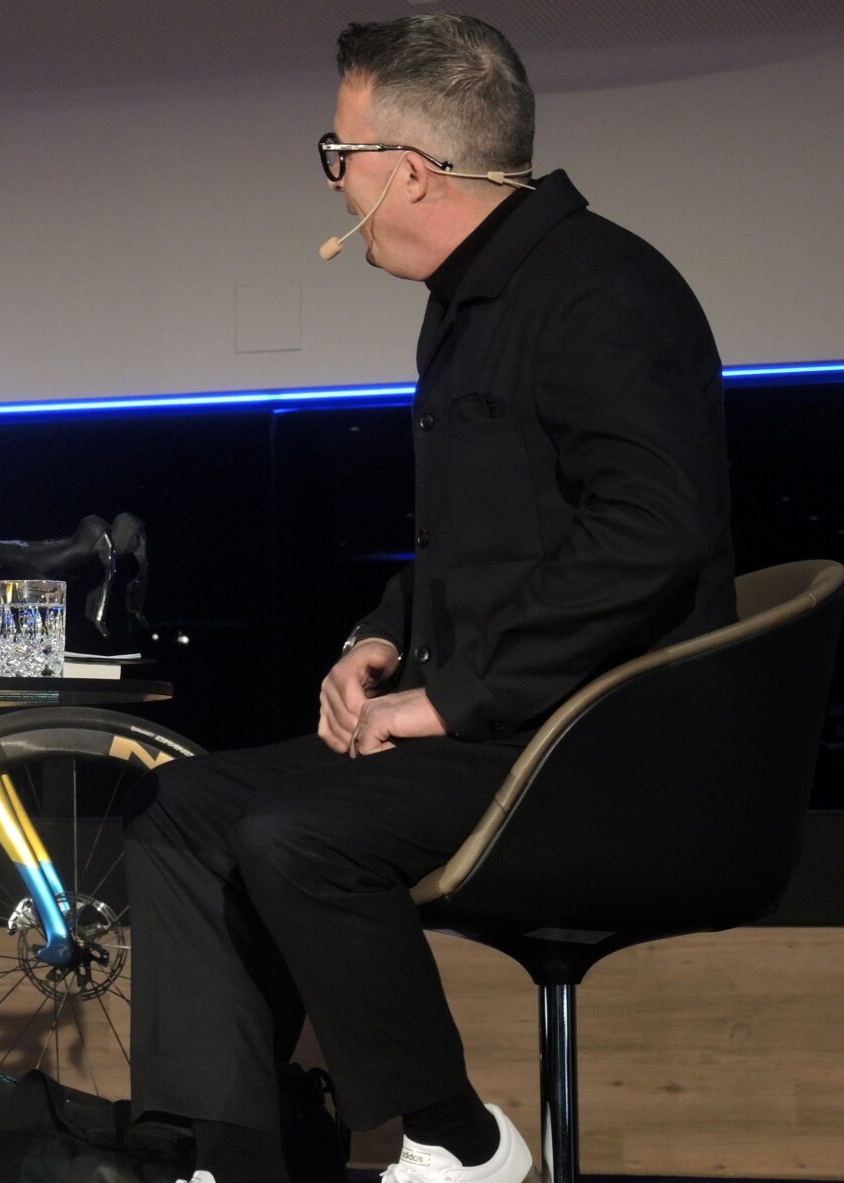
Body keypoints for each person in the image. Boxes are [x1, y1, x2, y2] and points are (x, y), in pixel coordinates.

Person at [125, 15, 733, 1183]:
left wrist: (451, 699)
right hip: (500, 728)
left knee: (295, 834)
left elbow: (656, 533)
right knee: (188, 805)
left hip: (595, 749)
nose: (332, 176)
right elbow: (494, 541)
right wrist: (381, 639)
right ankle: (232, 1157)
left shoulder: (603, 291)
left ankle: (460, 1140)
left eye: (337, 151)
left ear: (406, 172)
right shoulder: (471, 302)